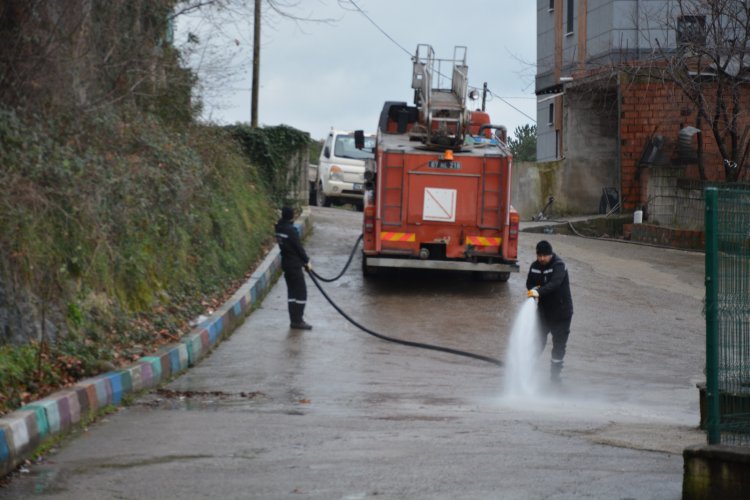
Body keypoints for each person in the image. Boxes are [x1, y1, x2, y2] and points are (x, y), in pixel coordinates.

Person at [526, 240, 573, 383]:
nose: (541, 259)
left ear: (551, 254)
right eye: (539, 255)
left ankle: (555, 378)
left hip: (561, 313)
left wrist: (538, 292)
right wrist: (532, 289)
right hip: (543, 313)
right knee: (537, 341)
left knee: (558, 346)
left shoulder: (559, 266)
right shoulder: (535, 266)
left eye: (544, 256)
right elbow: (529, 283)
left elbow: (555, 284)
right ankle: (528, 370)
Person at [275, 206, 313, 330]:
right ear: (291, 216)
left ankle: (293, 320)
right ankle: (298, 320)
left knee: (292, 293)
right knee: (301, 293)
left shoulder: (279, 228)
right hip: (294, 265)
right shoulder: (291, 230)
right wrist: (307, 261)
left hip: (286, 263)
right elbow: (298, 247)